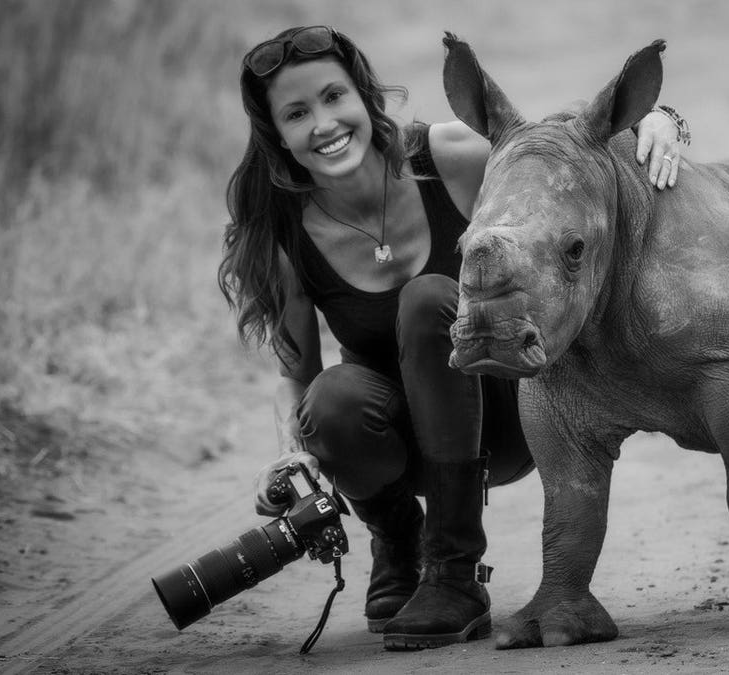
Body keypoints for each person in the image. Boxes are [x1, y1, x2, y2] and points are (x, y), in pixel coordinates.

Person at [218, 25, 689, 651]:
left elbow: (564, 147)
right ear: (277, 134)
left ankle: (454, 572)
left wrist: (661, 120)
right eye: (297, 113)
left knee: (429, 299)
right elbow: (295, 374)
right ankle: (399, 543)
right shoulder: (286, 232)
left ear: (365, 98)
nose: (324, 124)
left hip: (509, 409)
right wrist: (289, 454)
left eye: (334, 98)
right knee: (329, 404)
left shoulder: (450, 159)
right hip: (403, 438)